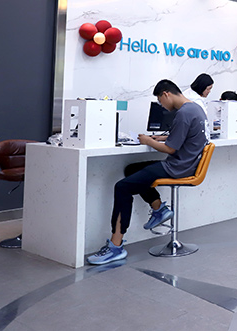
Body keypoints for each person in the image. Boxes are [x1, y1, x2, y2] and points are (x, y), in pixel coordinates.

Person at [87, 79, 208, 265]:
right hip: (186, 165)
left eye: (160, 101)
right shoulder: (195, 109)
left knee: (122, 187)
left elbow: (171, 149)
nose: (162, 106)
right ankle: (159, 208)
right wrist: (160, 137)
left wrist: (148, 141)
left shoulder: (183, 113)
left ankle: (115, 246)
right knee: (132, 169)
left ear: (166, 94)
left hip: (177, 168)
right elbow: (183, 137)